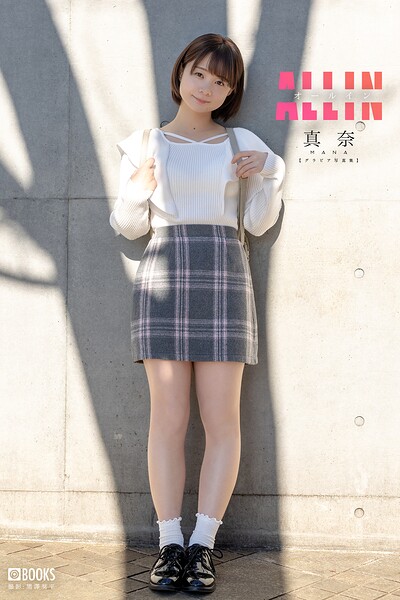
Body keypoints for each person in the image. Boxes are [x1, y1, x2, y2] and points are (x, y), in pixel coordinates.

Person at [110, 33, 285, 594]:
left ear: (231, 92)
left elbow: (257, 222)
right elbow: (128, 227)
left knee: (221, 420)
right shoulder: (144, 143)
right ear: (181, 73)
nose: (207, 87)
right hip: (163, 278)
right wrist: (138, 189)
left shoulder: (241, 142)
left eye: (221, 81)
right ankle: (169, 544)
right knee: (168, 418)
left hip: (225, 277)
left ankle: (202, 545)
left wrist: (270, 170)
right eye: (200, 74)